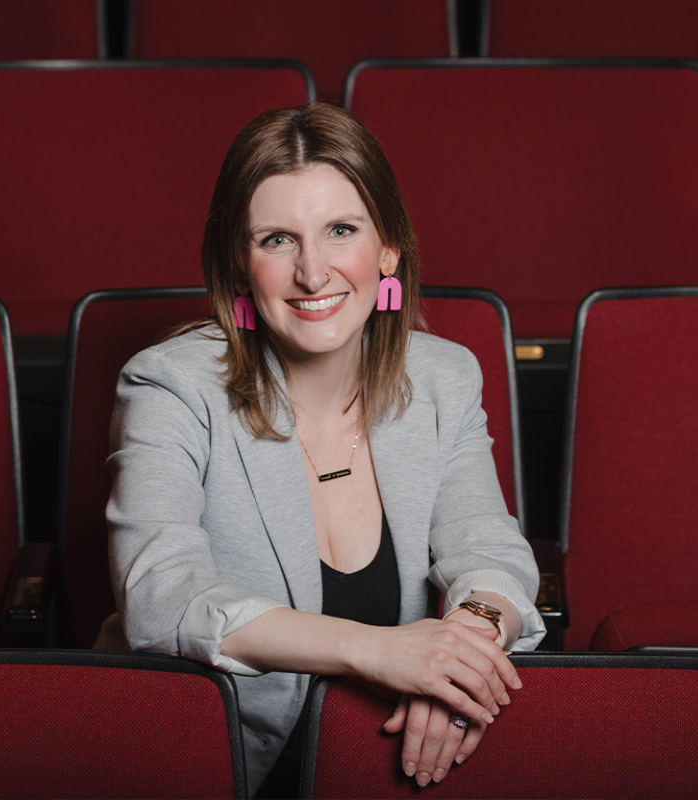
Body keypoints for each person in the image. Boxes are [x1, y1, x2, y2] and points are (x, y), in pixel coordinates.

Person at [106, 103, 545, 797]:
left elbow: (490, 551)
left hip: (398, 761)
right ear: (240, 264)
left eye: (341, 230)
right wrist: (382, 652)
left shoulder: (445, 377)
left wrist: (461, 652)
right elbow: (160, 598)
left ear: (388, 249)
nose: (313, 273)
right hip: (225, 765)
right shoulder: (170, 384)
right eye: (277, 239)